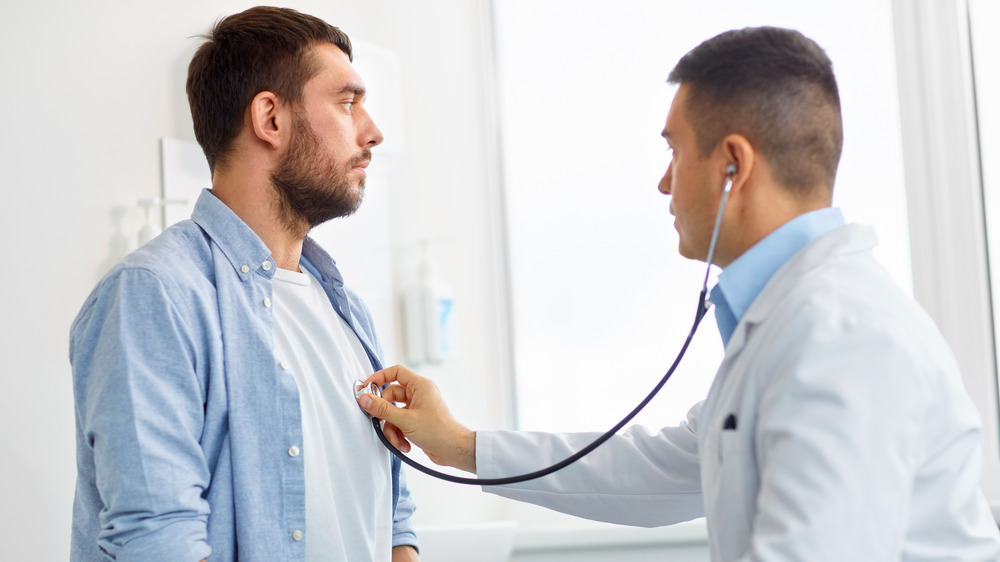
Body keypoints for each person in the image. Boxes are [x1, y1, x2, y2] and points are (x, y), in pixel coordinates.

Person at [357, 26, 1000, 560]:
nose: (664, 184)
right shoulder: (791, 322)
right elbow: (662, 471)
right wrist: (463, 445)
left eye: (674, 151)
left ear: (732, 165)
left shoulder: (842, 334)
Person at [70, 7, 419, 561]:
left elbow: (392, 512)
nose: (372, 132)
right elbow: (157, 541)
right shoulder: (154, 294)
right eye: (348, 102)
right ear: (270, 119)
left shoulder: (346, 307)